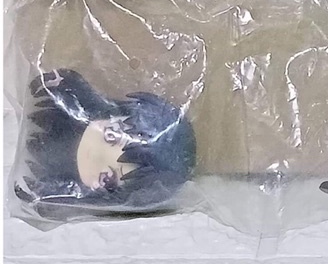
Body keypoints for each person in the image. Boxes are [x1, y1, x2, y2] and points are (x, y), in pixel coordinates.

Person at [15, 68, 196, 219]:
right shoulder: (76, 109)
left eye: (107, 178)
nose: (95, 154)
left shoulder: (67, 188)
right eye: (111, 136)